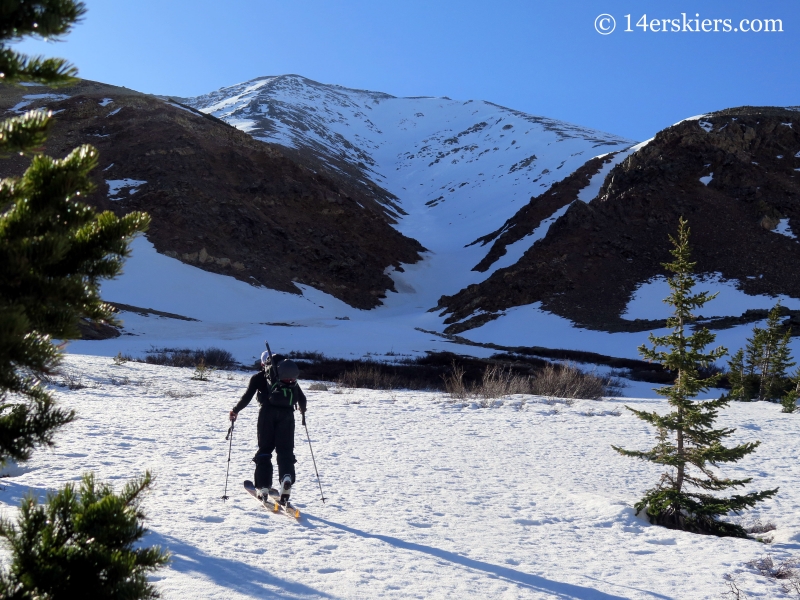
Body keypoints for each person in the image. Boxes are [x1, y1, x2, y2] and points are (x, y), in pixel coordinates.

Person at [229, 351, 307, 504]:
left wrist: (235, 410)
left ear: (263, 363)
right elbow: (302, 399)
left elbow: (246, 397)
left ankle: (263, 487)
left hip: (266, 415)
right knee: (285, 451)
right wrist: (302, 411)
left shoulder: (259, 377)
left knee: (265, 450)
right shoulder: (287, 377)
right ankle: (286, 478)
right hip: (287, 416)